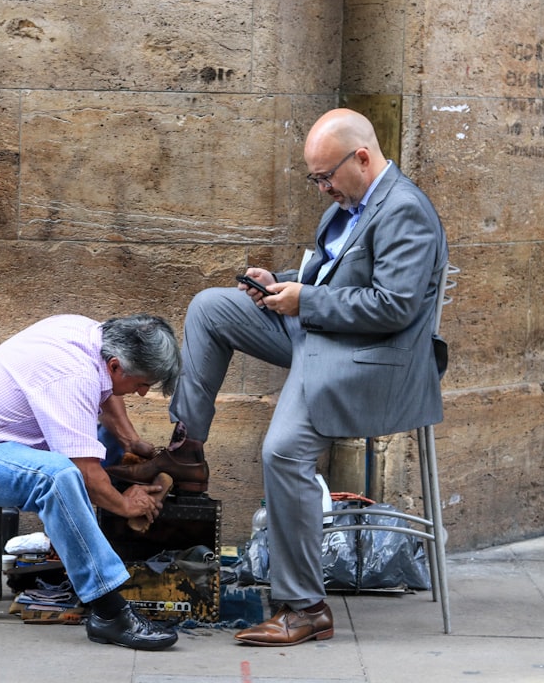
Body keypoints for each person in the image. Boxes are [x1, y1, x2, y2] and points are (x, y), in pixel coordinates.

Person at [106, 108, 449, 646]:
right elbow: (335, 272)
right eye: (315, 178)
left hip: (372, 360)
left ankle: (304, 607)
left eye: (325, 176)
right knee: (210, 307)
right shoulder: (352, 200)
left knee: (282, 451)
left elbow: (395, 308)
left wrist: (305, 300)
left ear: (362, 158)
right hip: (323, 335)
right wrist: (283, 283)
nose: (322, 188)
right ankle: (188, 447)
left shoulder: (404, 210)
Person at [0, 313, 181, 651]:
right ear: (115, 365)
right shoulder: (72, 373)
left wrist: (130, 441)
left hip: (7, 444)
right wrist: (125, 505)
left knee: (101, 439)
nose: (141, 392)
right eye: (141, 383)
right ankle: (108, 612)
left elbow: (107, 393)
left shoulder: (90, 335)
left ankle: (89, 549)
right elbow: (85, 473)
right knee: (59, 477)